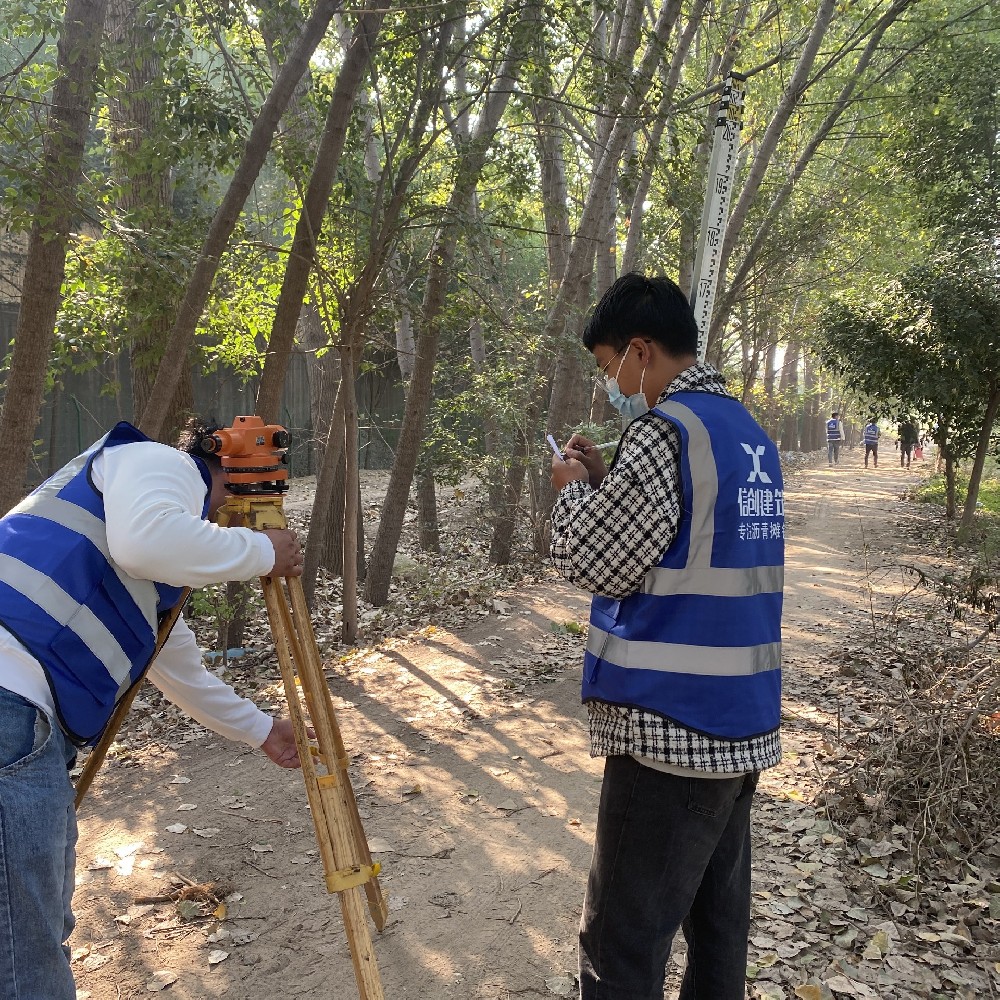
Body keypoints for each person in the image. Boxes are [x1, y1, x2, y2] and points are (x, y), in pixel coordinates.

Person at [0, 418, 306, 1000]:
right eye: (239, 508)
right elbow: (150, 541)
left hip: (20, 717)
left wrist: (264, 730)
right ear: (227, 480)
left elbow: (177, 668)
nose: (229, 521)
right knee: (22, 954)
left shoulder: (143, 565)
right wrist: (262, 550)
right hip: (7, 703)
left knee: (33, 932)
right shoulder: (154, 462)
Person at [549, 273, 784, 1000]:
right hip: (739, 728)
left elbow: (599, 561)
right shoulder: (746, 434)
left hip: (669, 736)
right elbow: (684, 541)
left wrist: (572, 490)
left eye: (606, 365)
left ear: (640, 352)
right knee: (718, 940)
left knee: (622, 945)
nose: (610, 383)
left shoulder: (665, 430)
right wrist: (607, 477)